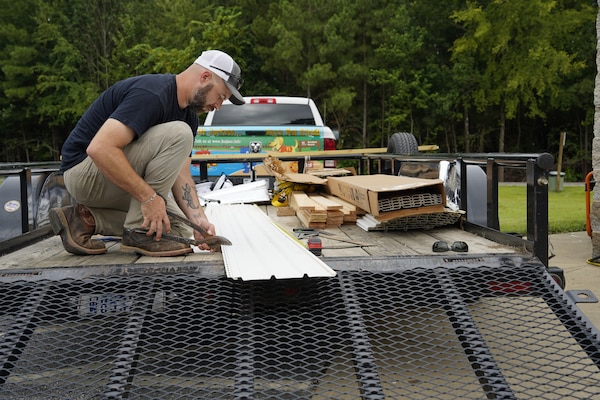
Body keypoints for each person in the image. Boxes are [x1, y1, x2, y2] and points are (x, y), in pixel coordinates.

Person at [49, 50, 244, 257]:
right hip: (84, 173)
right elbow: (100, 148)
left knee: (177, 231)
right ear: (205, 77)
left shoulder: (190, 118)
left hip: (113, 181)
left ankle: (85, 220)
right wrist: (150, 199)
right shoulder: (152, 94)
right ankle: (139, 232)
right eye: (221, 96)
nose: (218, 106)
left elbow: (182, 175)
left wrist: (199, 221)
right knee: (179, 133)